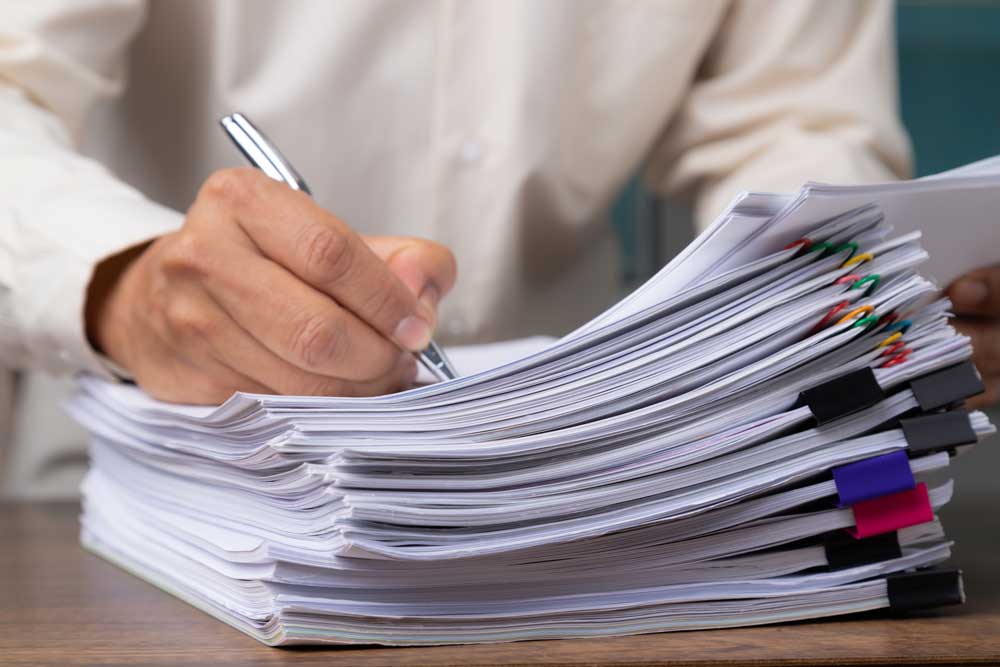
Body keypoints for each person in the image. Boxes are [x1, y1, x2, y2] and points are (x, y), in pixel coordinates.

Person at [1, 1, 996, 498]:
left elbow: (794, 122)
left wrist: (858, 292)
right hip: (159, 497)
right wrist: (123, 281)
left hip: (591, 499)